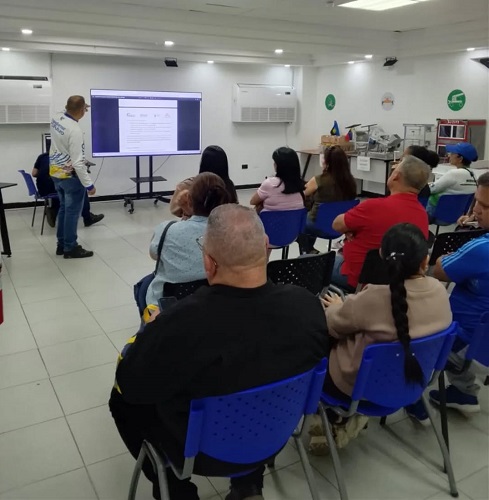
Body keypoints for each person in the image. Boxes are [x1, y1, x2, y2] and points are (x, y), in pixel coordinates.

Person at [109, 204, 328, 500]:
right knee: (258, 376)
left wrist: (150, 333)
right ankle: (248, 486)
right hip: (275, 435)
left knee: (122, 402)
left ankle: (177, 491)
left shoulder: (182, 322)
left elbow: (131, 383)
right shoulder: (308, 306)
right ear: (266, 247)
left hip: (201, 453)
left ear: (209, 263)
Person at [322, 223, 452, 424]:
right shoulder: (440, 291)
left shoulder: (375, 296)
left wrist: (336, 307)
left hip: (355, 388)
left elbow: (334, 325)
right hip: (412, 382)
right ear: (425, 261)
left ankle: (331, 419)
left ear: (382, 255)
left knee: (318, 336)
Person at [429, 172, 489, 414]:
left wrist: (454, 254)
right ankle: (464, 390)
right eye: (476, 202)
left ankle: (409, 397)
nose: (476, 210)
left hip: (463, 342)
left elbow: (440, 270)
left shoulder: (481, 249)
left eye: (485, 206)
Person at [331, 155, 431, 290]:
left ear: (396, 176)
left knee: (314, 263)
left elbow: (336, 224)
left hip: (360, 279)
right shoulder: (422, 214)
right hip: (399, 282)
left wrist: (349, 229)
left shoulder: (373, 206)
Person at [145, 172, 230, 309]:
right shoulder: (233, 231)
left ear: (189, 200)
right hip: (216, 300)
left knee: (144, 286)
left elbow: (154, 254)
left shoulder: (167, 229)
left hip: (171, 304)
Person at [50, 95, 96, 258]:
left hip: (56, 172)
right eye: (85, 109)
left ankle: (61, 244)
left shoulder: (56, 119)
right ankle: (70, 248)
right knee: (72, 213)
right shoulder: (75, 130)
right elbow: (78, 162)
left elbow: (69, 108)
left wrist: (78, 106)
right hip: (70, 176)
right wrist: (89, 185)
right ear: (82, 110)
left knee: (64, 209)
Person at [298, 145, 357, 254]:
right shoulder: (351, 182)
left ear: (327, 162)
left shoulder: (318, 180)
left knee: (300, 219)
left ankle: (308, 251)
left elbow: (300, 195)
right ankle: (310, 250)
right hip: (340, 227)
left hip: (318, 226)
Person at [32, 151, 104, 228]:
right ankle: (87, 218)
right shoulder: (63, 158)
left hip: (42, 190)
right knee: (81, 188)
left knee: (59, 186)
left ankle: (54, 210)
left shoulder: (42, 157)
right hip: (55, 188)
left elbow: (34, 173)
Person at [170, 145, 238, 218]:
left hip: (195, 222)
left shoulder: (187, 185)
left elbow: (174, 210)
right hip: (224, 222)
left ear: (203, 163)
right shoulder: (229, 185)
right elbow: (235, 208)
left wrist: (188, 211)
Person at [426, 142, 478, 222]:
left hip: (435, 215)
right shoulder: (473, 175)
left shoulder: (454, 173)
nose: (449, 155)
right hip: (456, 217)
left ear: (460, 158)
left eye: (452, 153)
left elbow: (431, 190)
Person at [249, 147, 305, 212]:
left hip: (270, 218)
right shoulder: (301, 184)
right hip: (296, 218)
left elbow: (252, 201)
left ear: (279, 166)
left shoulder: (270, 184)